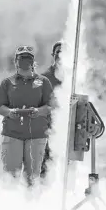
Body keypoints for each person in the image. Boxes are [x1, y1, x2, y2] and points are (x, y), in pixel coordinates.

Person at [0, 45, 54, 186]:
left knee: (32, 177)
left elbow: (50, 105)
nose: (24, 61)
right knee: (11, 177)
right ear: (16, 61)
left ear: (33, 62)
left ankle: (30, 205)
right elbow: (0, 107)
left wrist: (38, 111)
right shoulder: (7, 83)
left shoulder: (43, 82)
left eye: (28, 58)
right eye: (21, 58)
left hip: (36, 135)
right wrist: (10, 112)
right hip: (12, 134)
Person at [40, 41, 63, 180]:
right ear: (53, 56)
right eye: (57, 53)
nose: (60, 57)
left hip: (67, 128)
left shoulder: (73, 78)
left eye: (63, 53)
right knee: (46, 165)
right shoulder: (45, 78)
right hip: (48, 129)